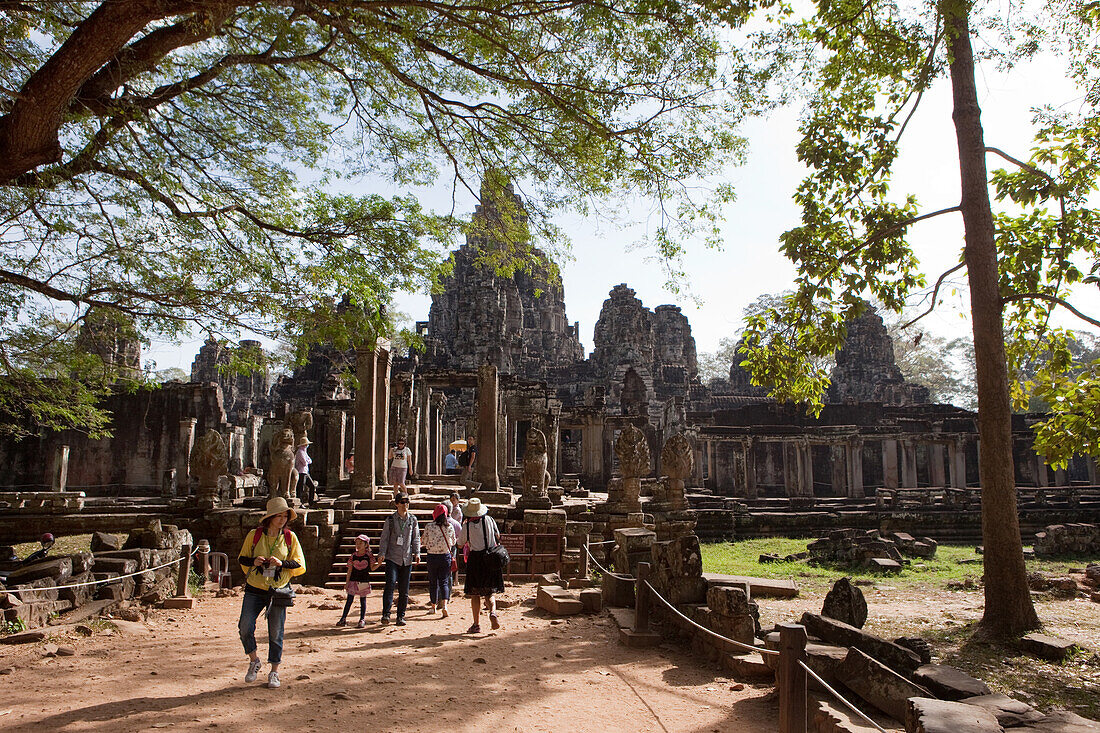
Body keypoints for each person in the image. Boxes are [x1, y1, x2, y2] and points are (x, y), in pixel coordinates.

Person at [237, 496, 306, 689]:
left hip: (278, 590)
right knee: (245, 626)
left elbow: (299, 563)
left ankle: (274, 671)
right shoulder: (255, 535)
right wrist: (255, 561)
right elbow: (242, 558)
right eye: (279, 516)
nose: (282, 519)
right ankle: (254, 660)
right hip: (255, 588)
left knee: (276, 632)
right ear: (270, 517)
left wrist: (281, 563)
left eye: (285, 516)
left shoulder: (290, 537)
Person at [458, 497, 504, 634]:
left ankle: (476, 624)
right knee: (490, 591)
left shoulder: (467, 526)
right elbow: (498, 536)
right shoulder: (489, 520)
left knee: (475, 593)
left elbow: (460, 544)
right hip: (490, 558)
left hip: (475, 560)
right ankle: (493, 611)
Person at [377, 492, 419, 626]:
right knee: (389, 586)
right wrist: (381, 553)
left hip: (406, 558)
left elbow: (416, 537)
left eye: (407, 502)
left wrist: (417, 552)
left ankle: (401, 616)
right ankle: (386, 614)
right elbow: (384, 538)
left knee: (404, 590)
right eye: (402, 502)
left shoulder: (413, 520)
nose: (405, 504)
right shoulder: (390, 520)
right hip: (392, 557)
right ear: (396, 504)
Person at [337, 534, 380, 628]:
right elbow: (349, 569)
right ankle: (343, 618)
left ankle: (362, 619)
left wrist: (379, 564)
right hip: (353, 580)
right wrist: (347, 582)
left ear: (366, 544)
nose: (358, 545)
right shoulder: (353, 556)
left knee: (363, 600)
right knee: (349, 600)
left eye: (361, 543)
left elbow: (372, 568)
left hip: (364, 580)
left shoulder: (369, 556)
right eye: (357, 543)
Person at [422, 504, 457, 617]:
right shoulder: (450, 527)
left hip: (432, 557)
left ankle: (433, 606)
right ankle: (445, 605)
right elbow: (453, 542)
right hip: (445, 556)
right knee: (444, 582)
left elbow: (424, 541)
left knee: (433, 582)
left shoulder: (429, 526)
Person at [294, 436, 315, 505]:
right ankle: (300, 503)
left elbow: (310, 460)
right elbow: (305, 462)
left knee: (312, 486)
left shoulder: (304, 452)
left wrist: (307, 461)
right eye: (306, 444)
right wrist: (307, 461)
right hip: (301, 472)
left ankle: (311, 502)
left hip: (306, 472)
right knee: (300, 488)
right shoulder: (300, 452)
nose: (307, 445)